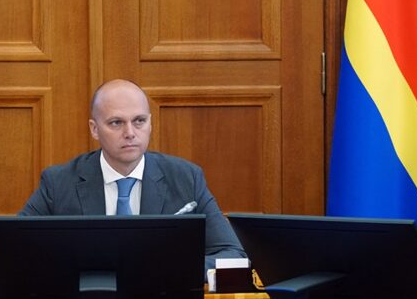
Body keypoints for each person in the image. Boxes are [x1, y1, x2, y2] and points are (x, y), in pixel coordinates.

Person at [20, 79, 247, 269]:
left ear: (150, 123)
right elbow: (15, 249)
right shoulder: (58, 183)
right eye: (116, 123)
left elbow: (233, 255)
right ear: (94, 129)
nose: (130, 133)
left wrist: (170, 269)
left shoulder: (186, 178)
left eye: (139, 121)